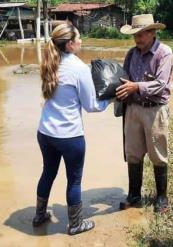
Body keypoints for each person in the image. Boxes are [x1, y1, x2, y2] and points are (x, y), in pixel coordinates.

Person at [32, 24, 110, 235]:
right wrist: (111, 98)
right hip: (68, 136)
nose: (81, 41)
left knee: (48, 172)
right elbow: (92, 106)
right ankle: (75, 224)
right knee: (74, 180)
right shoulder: (79, 68)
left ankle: (39, 215)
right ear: (70, 43)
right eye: (79, 37)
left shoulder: (48, 62)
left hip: (45, 132)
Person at [117, 14, 173, 213]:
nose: (137, 39)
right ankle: (134, 195)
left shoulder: (164, 53)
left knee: (158, 154)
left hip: (155, 110)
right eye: (135, 35)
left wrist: (135, 87)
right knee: (133, 153)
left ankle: (162, 197)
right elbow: (123, 78)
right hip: (133, 108)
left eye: (141, 34)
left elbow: (161, 84)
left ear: (152, 33)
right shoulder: (131, 54)